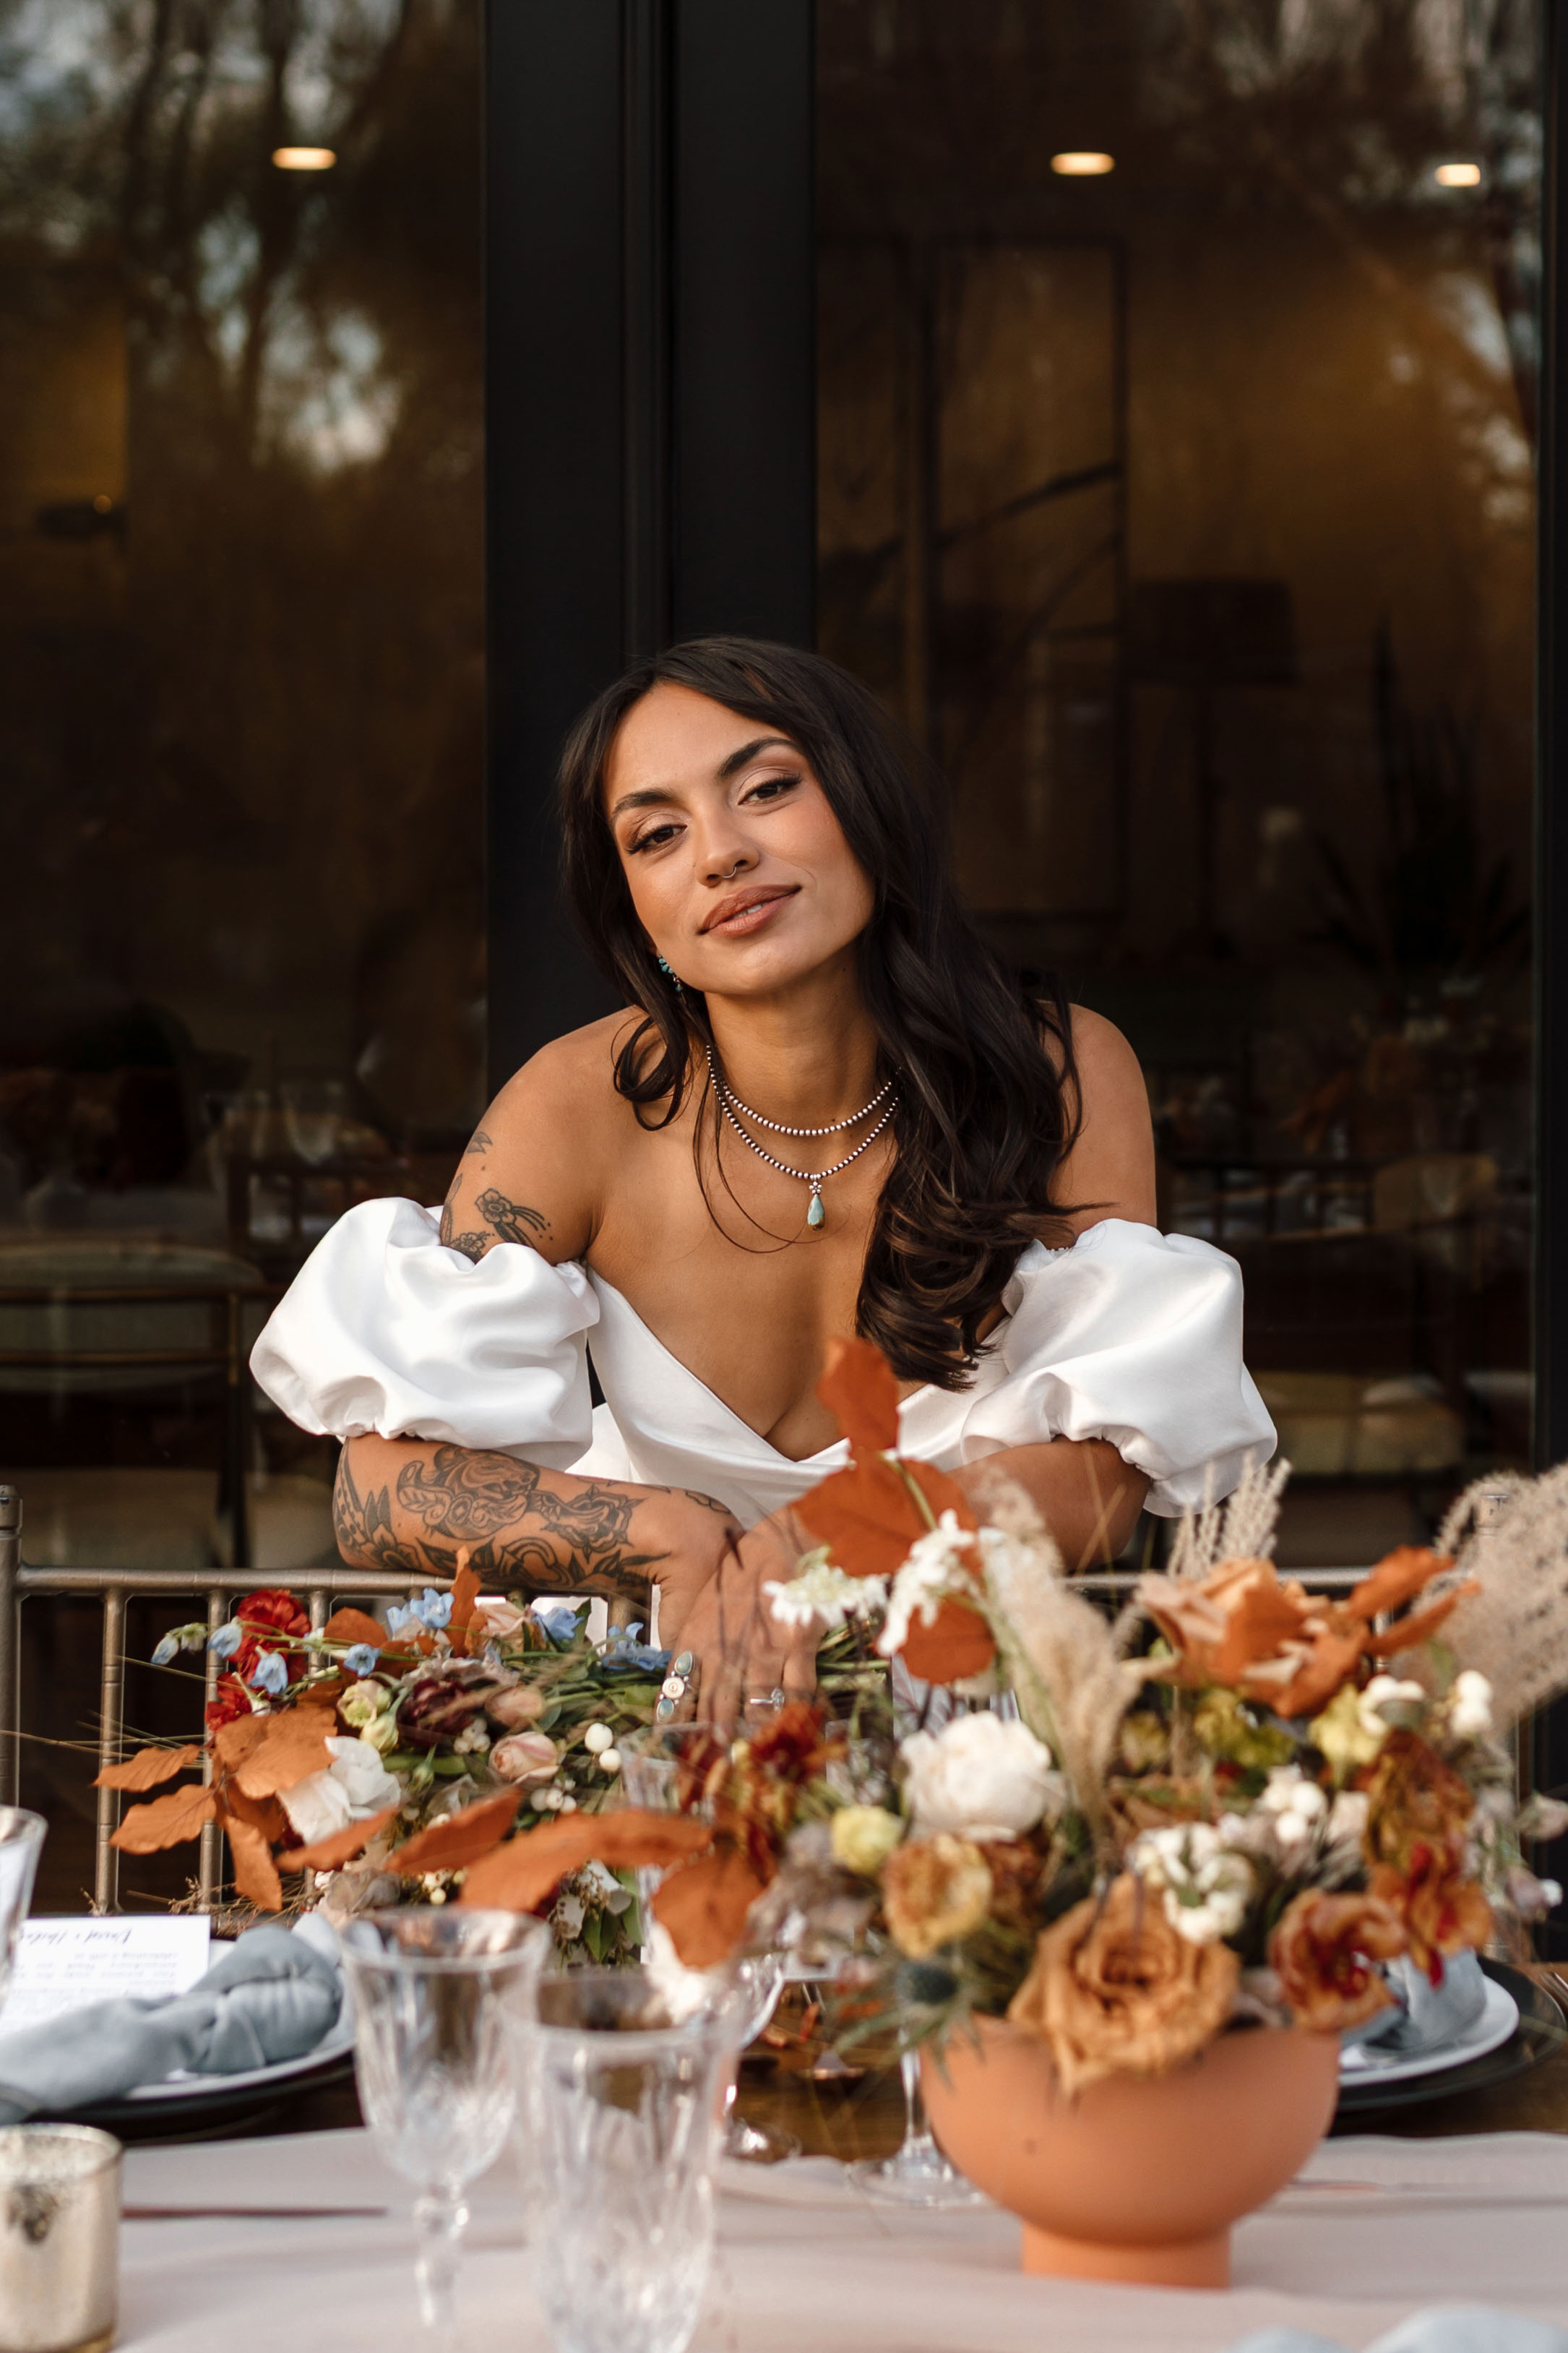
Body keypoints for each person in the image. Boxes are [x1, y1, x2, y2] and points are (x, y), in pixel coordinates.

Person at [251, 638, 1272, 1726]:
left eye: (768, 789)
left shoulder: (1055, 1072)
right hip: (654, 1721)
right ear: (635, 910)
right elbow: (372, 1489)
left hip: (980, 1744)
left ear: (866, 805)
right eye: (657, 834)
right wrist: (669, 1536)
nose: (721, 854)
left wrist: (825, 1532)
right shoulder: (573, 1107)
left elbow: (1111, 1473)